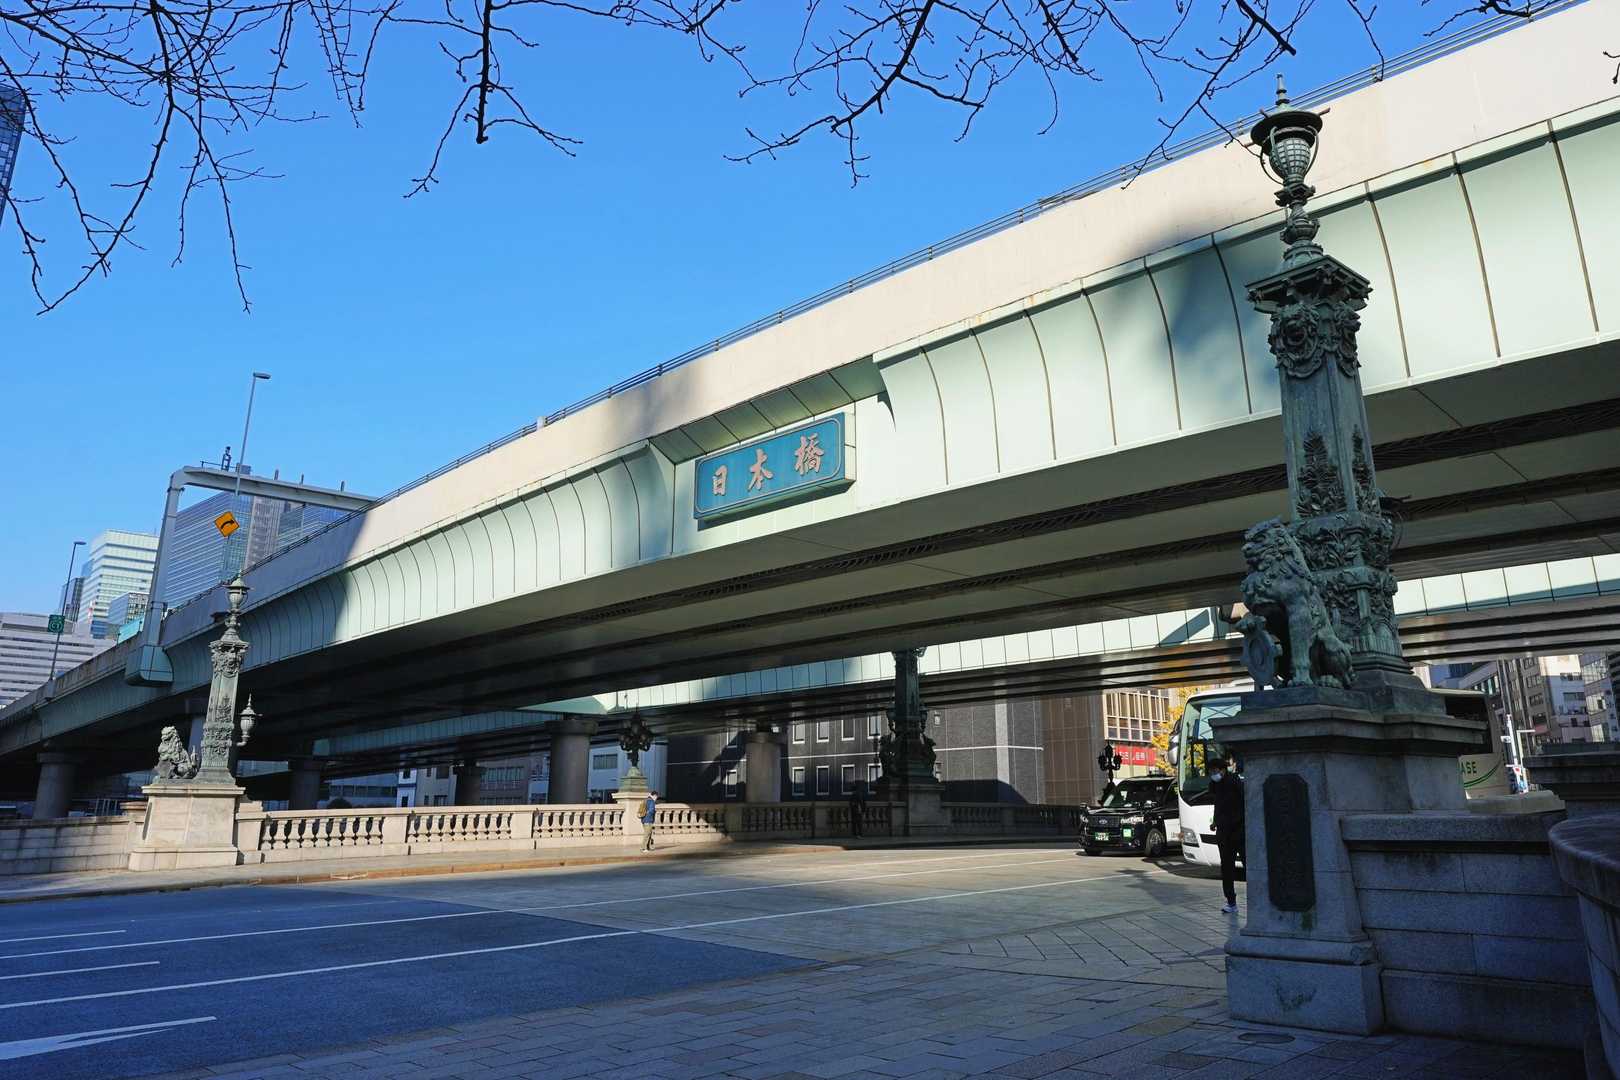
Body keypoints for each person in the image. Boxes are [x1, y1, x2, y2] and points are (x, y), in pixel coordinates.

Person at [1209, 755, 1245, 914]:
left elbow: (1241, 802)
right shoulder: (1215, 785)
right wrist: (1215, 821)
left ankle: (1256, 898)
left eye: (1215, 771)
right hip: (1223, 831)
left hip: (1238, 829)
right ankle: (1231, 901)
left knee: (1247, 864)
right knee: (1227, 867)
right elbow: (1218, 806)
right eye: (1211, 772)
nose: (1213, 774)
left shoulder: (1234, 782)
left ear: (1223, 770)